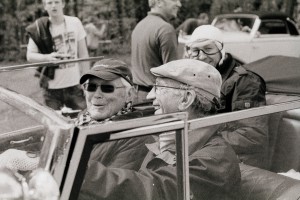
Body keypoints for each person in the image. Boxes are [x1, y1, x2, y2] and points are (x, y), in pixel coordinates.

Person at [79, 59, 241, 200]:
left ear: (186, 99)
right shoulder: (173, 140)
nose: (149, 97)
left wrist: (79, 171)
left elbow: (151, 190)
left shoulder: (213, 160)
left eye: (158, 88)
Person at [185, 25, 269, 169]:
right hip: (209, 153)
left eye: (208, 49)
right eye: (196, 50)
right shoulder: (197, 78)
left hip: (239, 162)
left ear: (221, 49)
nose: (202, 56)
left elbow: (252, 136)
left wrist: (198, 139)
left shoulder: (245, 82)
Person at [76, 58, 154, 170]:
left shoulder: (135, 137)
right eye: (91, 87)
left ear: (129, 95)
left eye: (107, 88)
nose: (96, 95)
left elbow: (111, 185)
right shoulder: (83, 118)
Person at [26, 0, 89, 111]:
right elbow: (30, 56)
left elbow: (84, 54)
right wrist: (47, 57)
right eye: (50, 3)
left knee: (83, 122)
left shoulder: (75, 22)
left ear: (63, 4)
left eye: (57, 2)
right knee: (54, 127)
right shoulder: (39, 28)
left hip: (75, 86)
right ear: (45, 6)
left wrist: (87, 81)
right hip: (51, 90)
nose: (54, 5)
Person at [131, 0, 181, 104]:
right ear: (159, 2)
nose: (179, 4)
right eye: (174, 0)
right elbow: (173, 74)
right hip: (155, 100)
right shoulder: (165, 29)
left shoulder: (139, 26)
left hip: (135, 96)